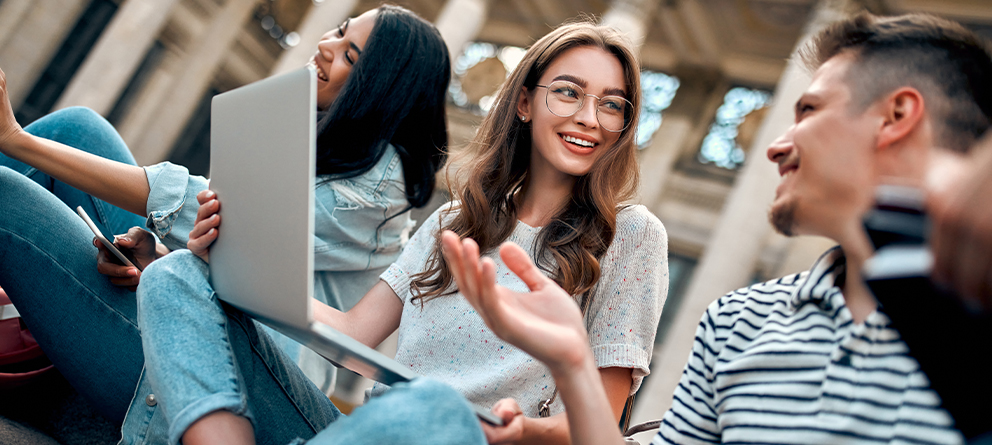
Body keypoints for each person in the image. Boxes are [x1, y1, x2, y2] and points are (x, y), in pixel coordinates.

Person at [442, 12, 992, 445]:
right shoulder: (738, 322)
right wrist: (574, 366)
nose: (775, 146)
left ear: (896, 116)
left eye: (809, 110)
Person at [133, 19, 668, 445]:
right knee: (176, 274)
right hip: (370, 429)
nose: (590, 118)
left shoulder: (631, 237)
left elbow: (596, 427)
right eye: (569, 93)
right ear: (524, 103)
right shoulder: (453, 221)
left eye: (613, 104)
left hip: (458, 434)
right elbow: (350, 334)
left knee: (435, 405)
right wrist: (224, 260)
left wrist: (514, 430)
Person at [0, 2, 449, 438]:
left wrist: (17, 140)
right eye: (339, 30)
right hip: (196, 306)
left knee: (9, 192)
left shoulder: (374, 187)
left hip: (218, 358)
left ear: (382, 90)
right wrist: (160, 256)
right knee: (80, 128)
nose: (326, 45)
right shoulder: (333, 141)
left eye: (350, 54)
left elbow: (218, 214)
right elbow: (236, 260)